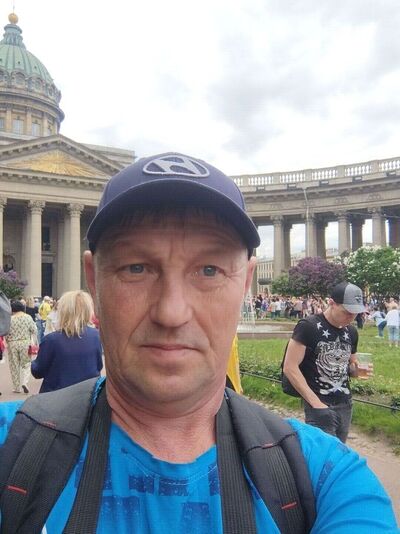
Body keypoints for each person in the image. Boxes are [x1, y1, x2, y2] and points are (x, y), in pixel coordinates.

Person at [0, 153, 398, 532]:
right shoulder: (11, 448)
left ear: (245, 283)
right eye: (136, 268)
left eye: (209, 270)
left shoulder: (328, 480)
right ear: (93, 279)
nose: (171, 313)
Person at [283, 281, 371, 444]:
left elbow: (351, 368)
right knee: (323, 453)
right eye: (347, 312)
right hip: (318, 403)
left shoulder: (351, 331)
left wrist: (357, 371)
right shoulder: (308, 326)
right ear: (331, 303)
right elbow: (290, 367)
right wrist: (315, 403)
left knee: (339, 451)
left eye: (355, 313)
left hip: (345, 403)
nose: (351, 317)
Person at [31, 290, 103, 393]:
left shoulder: (51, 340)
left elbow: (38, 371)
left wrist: (31, 363)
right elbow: (98, 366)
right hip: (87, 395)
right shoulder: (97, 336)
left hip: (56, 395)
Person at [5, 299, 37, 394]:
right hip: (25, 343)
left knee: (14, 365)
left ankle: (16, 387)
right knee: (26, 364)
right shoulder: (28, 317)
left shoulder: (10, 319)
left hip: (12, 343)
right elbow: (34, 330)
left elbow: (6, 332)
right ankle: (25, 382)